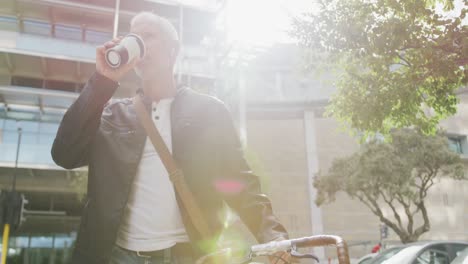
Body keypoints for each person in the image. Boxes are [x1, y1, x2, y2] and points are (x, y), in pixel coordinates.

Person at [52, 12, 290, 264]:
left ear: (172, 50)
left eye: (148, 36)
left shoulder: (209, 111)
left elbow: (240, 183)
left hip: (189, 256)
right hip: (119, 256)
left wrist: (273, 237)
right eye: (134, 38)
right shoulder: (113, 114)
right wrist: (102, 81)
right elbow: (64, 155)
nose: (140, 45)